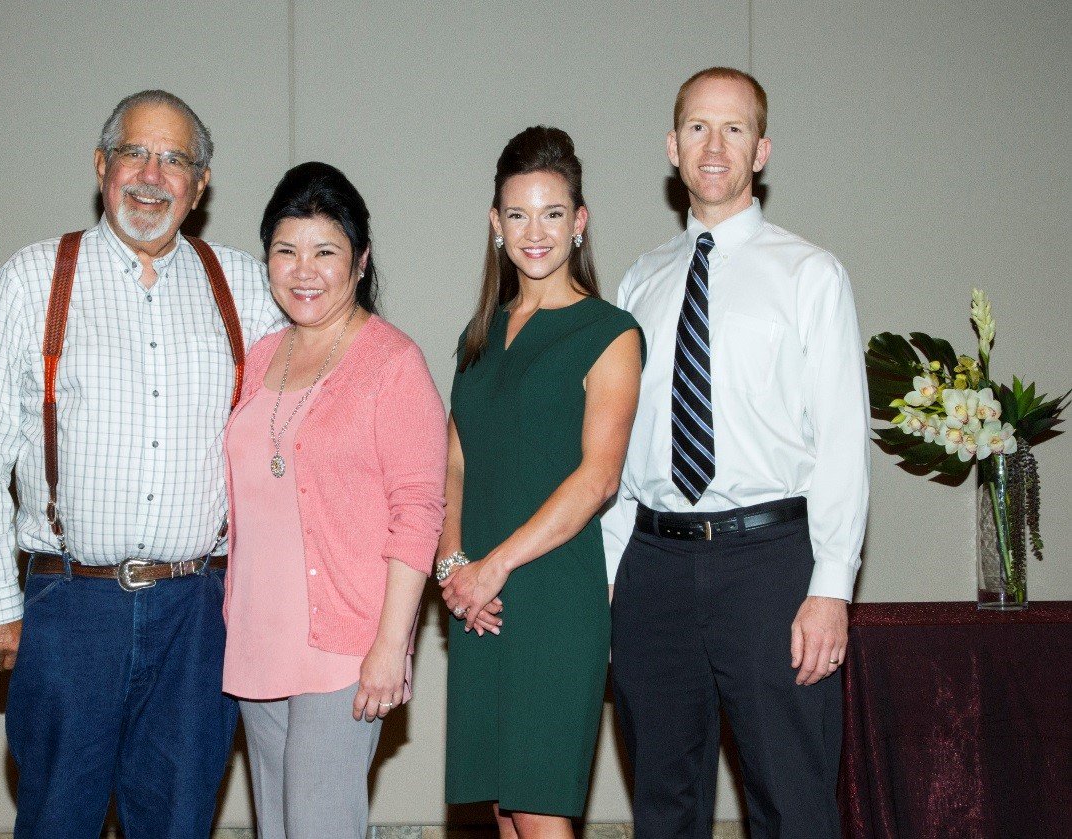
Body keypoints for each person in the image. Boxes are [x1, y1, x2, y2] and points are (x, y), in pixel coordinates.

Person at [0, 90, 284, 838]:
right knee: (57, 820)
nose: (151, 175)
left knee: (176, 823)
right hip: (72, 609)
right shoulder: (36, 276)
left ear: (199, 186)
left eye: (174, 160)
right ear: (102, 164)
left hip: (198, 614)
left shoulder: (246, 286)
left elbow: (323, 389)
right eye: (135, 151)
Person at [602, 67, 869, 839]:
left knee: (791, 802)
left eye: (733, 128)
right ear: (671, 147)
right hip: (652, 567)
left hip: (771, 567)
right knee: (662, 805)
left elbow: (843, 443)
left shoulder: (810, 274)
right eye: (696, 127)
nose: (712, 145)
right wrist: (612, 578)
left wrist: (831, 585)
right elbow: (622, 451)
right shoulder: (638, 282)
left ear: (761, 150)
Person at [222, 161, 447, 839]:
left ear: (360, 260)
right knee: (279, 830)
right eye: (285, 251)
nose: (304, 270)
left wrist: (390, 645)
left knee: (320, 827)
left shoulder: (391, 362)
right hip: (257, 641)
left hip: (344, 646)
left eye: (325, 251)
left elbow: (419, 511)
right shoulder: (258, 357)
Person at [440, 126, 643, 838]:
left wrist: (492, 566)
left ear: (578, 221)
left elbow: (598, 477)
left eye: (552, 213)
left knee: (538, 804)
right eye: (517, 214)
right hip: (477, 599)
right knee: (501, 807)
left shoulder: (610, 332)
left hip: (552, 594)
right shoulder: (478, 337)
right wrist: (453, 567)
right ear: (495, 224)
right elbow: (454, 461)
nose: (535, 231)